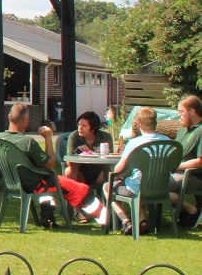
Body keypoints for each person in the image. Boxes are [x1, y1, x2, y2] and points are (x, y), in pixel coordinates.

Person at [0, 103, 108, 225]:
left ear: (9, 117)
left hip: (14, 183)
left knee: (52, 184)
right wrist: (48, 138)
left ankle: (47, 216)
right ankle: (106, 219)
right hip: (36, 183)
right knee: (83, 190)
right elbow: (50, 164)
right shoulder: (27, 142)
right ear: (25, 119)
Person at [109, 106, 170, 235]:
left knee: (107, 186)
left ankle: (126, 221)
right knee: (135, 181)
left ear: (138, 124)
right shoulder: (167, 141)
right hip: (160, 188)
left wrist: (119, 174)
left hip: (137, 189)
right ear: (156, 123)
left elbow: (118, 169)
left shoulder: (134, 143)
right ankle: (142, 221)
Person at [169, 94, 202, 227]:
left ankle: (191, 210)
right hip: (175, 173)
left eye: (181, 112)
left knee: (155, 185)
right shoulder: (183, 130)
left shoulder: (200, 131)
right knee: (147, 181)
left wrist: (176, 166)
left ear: (192, 111)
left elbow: (200, 161)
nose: (179, 115)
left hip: (193, 176)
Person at [62, 111, 114, 186]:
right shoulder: (74, 136)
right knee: (69, 170)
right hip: (81, 170)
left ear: (93, 128)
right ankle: (72, 194)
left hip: (99, 169)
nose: (80, 128)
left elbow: (110, 159)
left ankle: (105, 195)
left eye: (84, 126)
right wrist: (77, 151)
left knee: (113, 172)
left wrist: (100, 152)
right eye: (79, 125)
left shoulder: (105, 137)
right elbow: (68, 161)